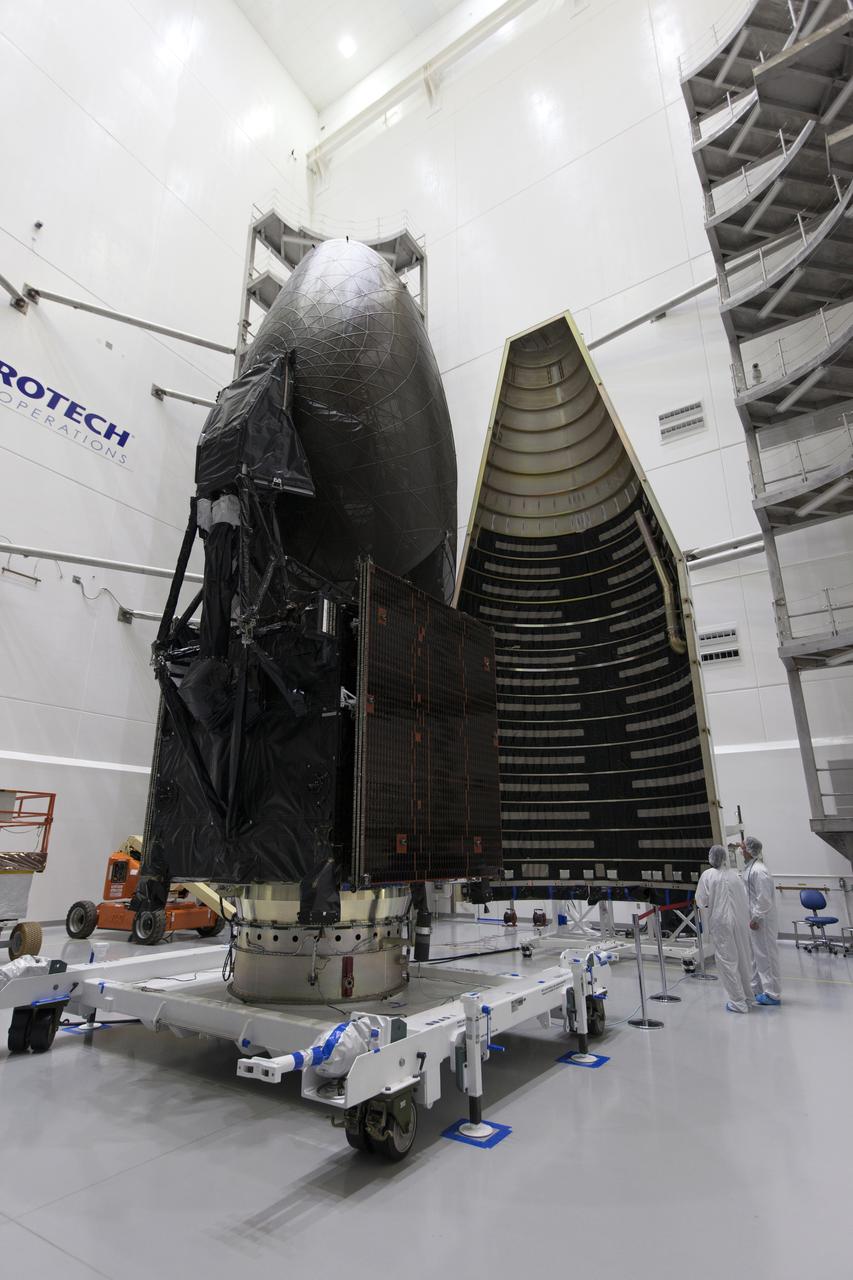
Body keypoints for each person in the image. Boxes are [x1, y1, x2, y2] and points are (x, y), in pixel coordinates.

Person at [695, 845, 754, 1013]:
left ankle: (738, 1002)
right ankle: (749, 997)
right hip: (740, 922)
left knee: (727, 962)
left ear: (712, 858)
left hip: (722, 923)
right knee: (743, 958)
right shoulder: (735, 875)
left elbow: (701, 900)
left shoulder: (708, 875)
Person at [742, 836, 781, 1006]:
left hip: (762, 920)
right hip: (755, 918)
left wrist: (756, 917)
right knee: (756, 956)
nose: (740, 850)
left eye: (742, 847)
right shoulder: (750, 868)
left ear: (750, 851)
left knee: (766, 956)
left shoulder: (759, 871)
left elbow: (763, 899)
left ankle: (773, 994)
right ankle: (757, 989)